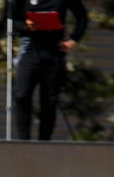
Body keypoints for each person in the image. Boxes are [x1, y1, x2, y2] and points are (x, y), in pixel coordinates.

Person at [10, 0, 88, 141]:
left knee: (49, 99)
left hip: (53, 49)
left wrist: (73, 39)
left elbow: (82, 15)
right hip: (30, 47)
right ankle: (23, 140)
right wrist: (25, 25)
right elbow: (11, 20)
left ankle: (44, 140)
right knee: (21, 94)